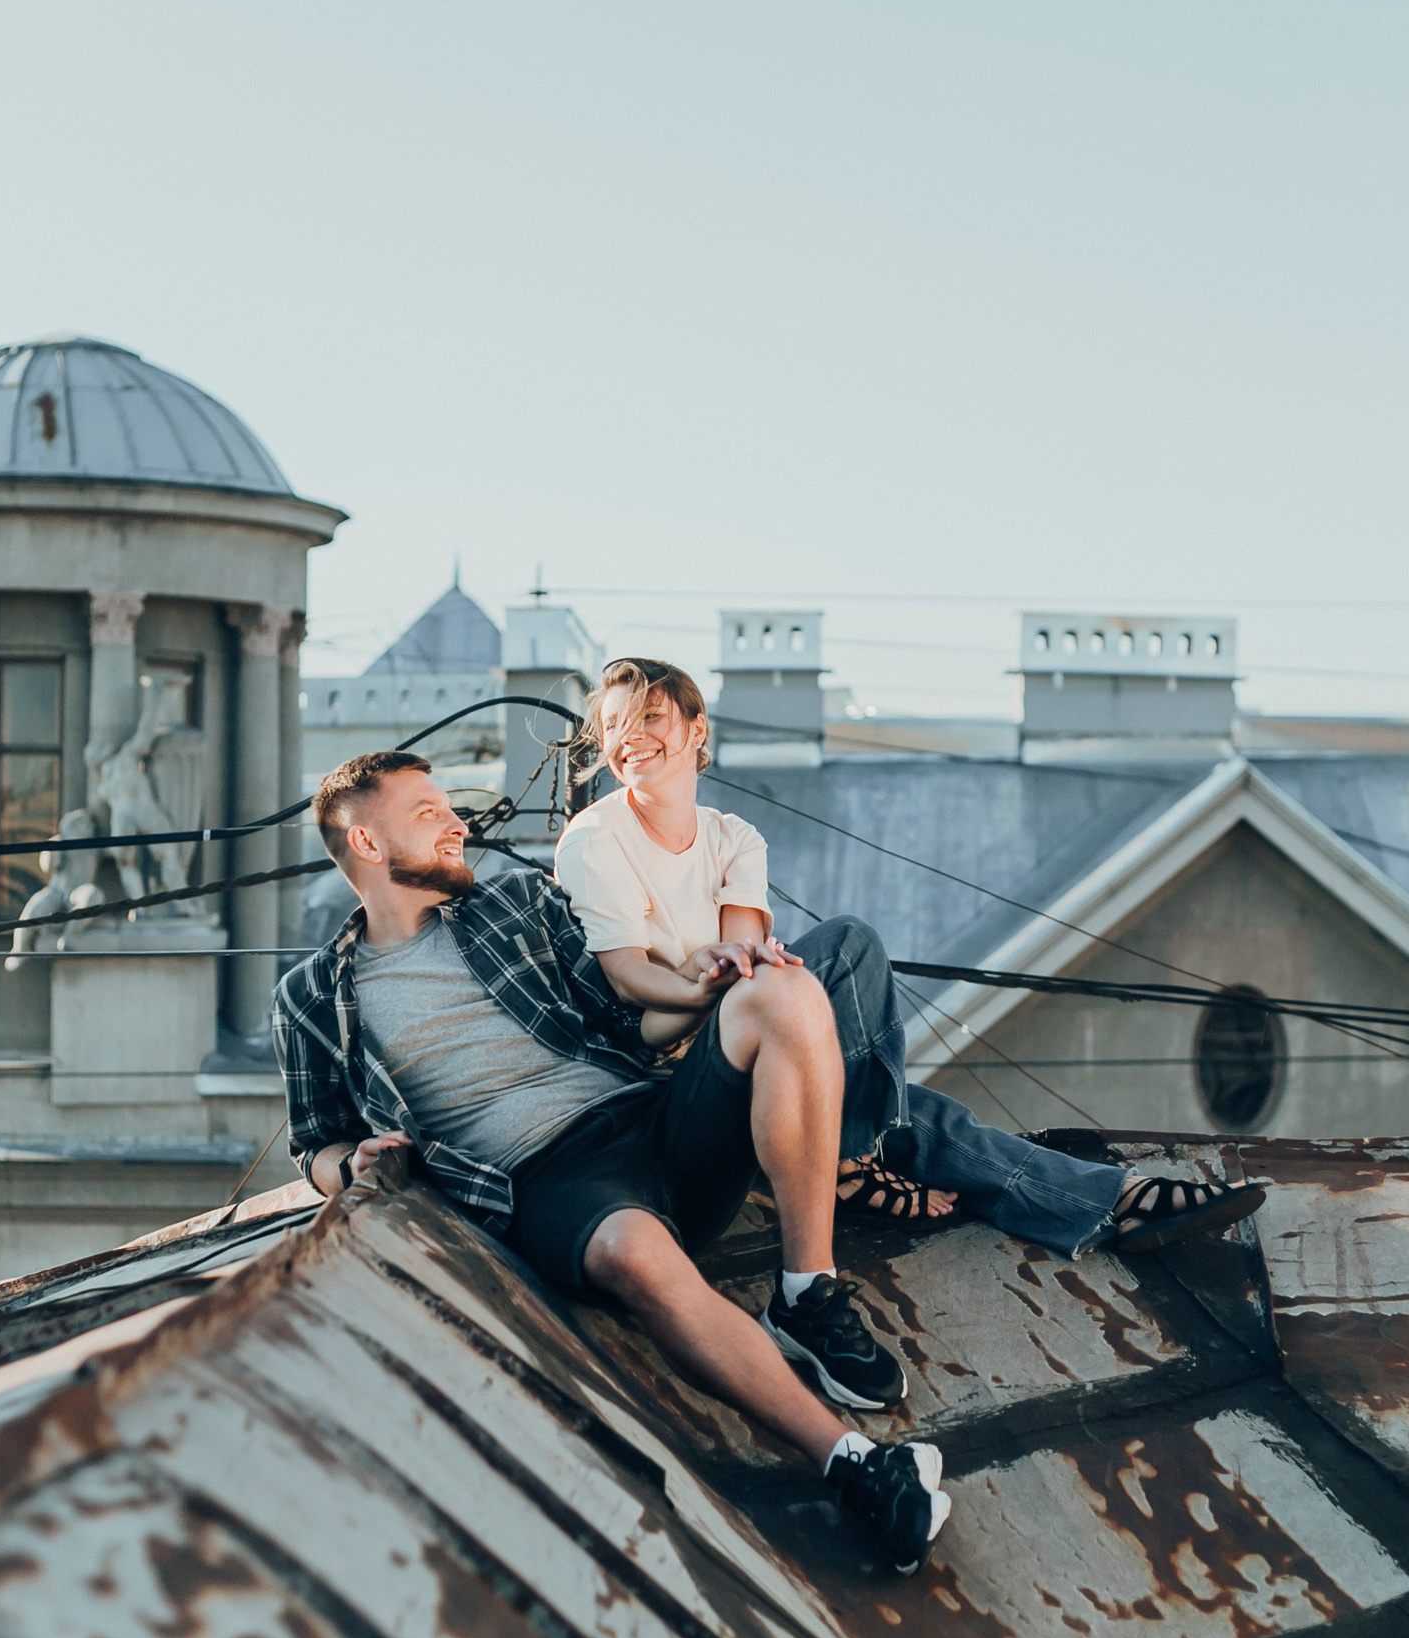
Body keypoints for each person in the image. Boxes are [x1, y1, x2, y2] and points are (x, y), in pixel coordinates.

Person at [271, 751, 952, 1576]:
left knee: (786, 988)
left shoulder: (514, 905)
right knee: (636, 1256)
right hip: (548, 1182)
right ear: (367, 845)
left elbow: (626, 1025)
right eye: (428, 813)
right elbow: (316, 1142)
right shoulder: (313, 994)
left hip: (649, 1116)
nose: (458, 824)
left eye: (450, 806)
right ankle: (854, 1464)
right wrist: (355, 1165)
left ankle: (807, 1291)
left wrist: (715, 983)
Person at [553, 656, 1265, 1261]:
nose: (631, 738)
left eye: (649, 716)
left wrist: (724, 976)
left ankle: (1114, 1202)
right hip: (669, 1089)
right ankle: (852, 1155)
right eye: (615, 726)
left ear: (695, 728)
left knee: (928, 1103)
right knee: (859, 977)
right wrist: (714, 982)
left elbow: (739, 954)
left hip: (738, 1040)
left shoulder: (734, 838)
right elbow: (629, 977)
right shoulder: (596, 837)